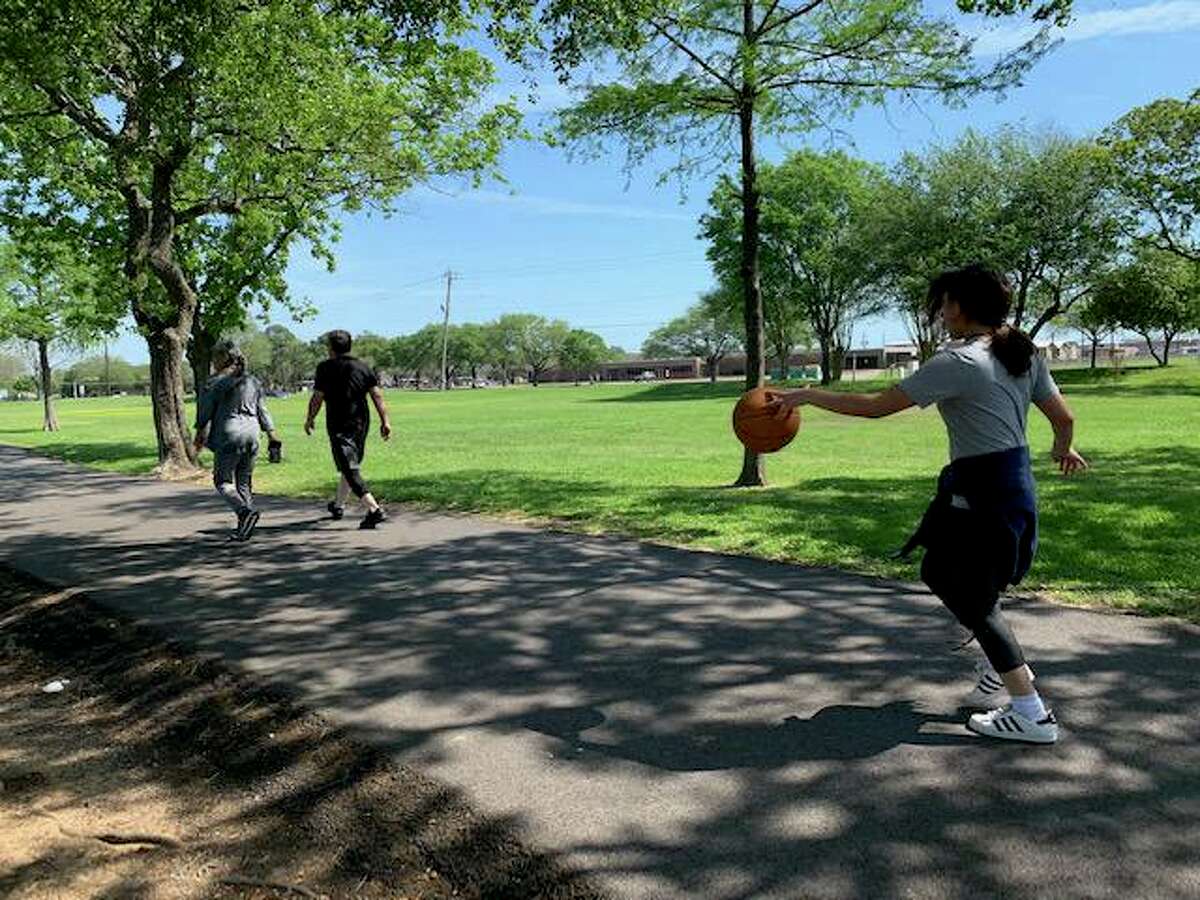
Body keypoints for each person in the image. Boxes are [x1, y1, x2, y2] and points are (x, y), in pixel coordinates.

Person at [768, 264, 1088, 745]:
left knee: (972, 596)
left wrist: (807, 395)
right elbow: (1064, 417)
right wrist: (1063, 448)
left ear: (959, 307)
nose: (940, 312)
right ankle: (993, 666)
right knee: (943, 573)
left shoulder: (960, 363)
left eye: (944, 303)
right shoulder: (1021, 351)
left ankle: (1031, 712)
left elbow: (876, 406)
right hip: (1009, 485)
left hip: (984, 492)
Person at [193, 340, 280, 542]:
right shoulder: (252, 381)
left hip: (229, 434)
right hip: (252, 433)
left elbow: (205, 412)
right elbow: (262, 410)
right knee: (244, 482)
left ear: (224, 358)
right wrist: (272, 434)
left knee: (222, 481)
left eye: (215, 357)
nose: (213, 361)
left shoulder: (214, 382)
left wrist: (199, 436)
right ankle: (245, 528)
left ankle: (243, 512)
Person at [304, 329, 392, 529]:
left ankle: (374, 509)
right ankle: (338, 506)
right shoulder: (363, 367)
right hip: (362, 422)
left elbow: (317, 397)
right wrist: (385, 421)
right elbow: (376, 395)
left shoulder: (325, 368)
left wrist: (310, 418)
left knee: (349, 467)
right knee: (349, 465)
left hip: (339, 423)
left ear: (330, 348)